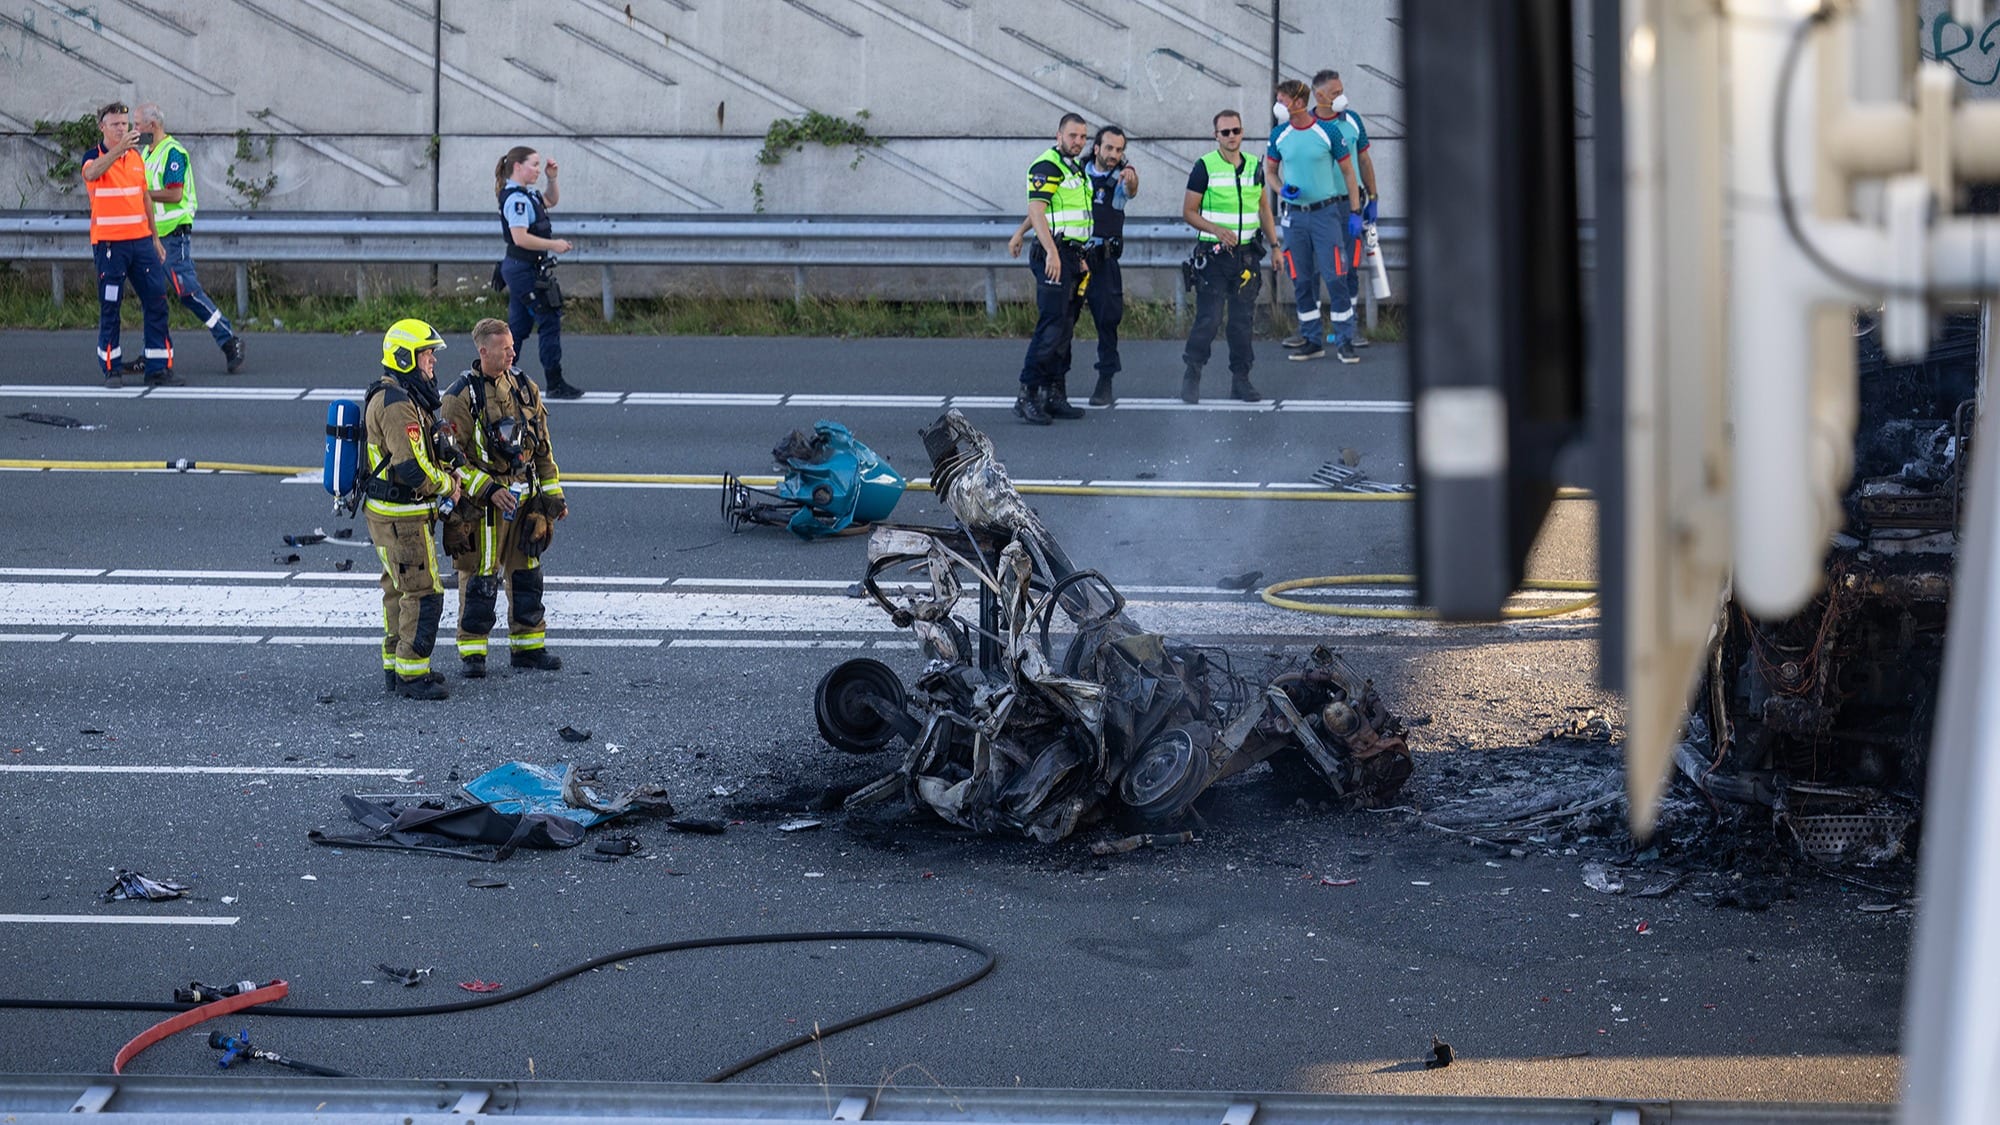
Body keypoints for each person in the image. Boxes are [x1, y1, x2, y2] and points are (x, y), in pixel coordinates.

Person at [440, 318, 569, 679]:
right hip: (484, 507)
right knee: (479, 577)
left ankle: (528, 647)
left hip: (524, 500)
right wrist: (490, 489)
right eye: (505, 348)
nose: (512, 353)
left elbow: (542, 449)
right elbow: (450, 459)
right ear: (483, 351)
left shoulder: (525, 388)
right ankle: (473, 653)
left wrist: (553, 498)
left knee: (527, 573)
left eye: (513, 346)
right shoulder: (459, 398)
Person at [362, 318, 462, 700]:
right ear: (405, 357)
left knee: (397, 591)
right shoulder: (397, 405)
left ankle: (396, 667)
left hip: (389, 514)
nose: (433, 361)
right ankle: (412, 675)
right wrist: (447, 485)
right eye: (426, 354)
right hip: (402, 517)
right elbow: (412, 467)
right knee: (423, 593)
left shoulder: (401, 395)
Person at [1010, 124, 1137, 407]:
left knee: (1104, 321)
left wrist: (1131, 176)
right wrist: (1022, 233)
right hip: (1069, 256)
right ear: (1097, 147)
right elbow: (1041, 207)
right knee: (1058, 324)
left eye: (1119, 150)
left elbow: (1131, 190)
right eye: (1109, 148)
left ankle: (1098, 381)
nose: (1114, 154)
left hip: (1098, 259)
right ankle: (1045, 390)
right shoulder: (1071, 170)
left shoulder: (1113, 176)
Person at [134, 103, 246, 374]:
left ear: (152, 125)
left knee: (188, 292)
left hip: (173, 236)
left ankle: (229, 339)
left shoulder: (173, 152)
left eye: (137, 124)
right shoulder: (146, 153)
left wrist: (143, 195)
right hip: (151, 236)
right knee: (151, 296)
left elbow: (174, 194)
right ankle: (153, 354)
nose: (133, 129)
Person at [1179, 109, 1279, 404]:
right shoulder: (1205, 167)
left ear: (1242, 132)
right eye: (1225, 132)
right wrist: (1216, 230)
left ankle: (1241, 380)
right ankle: (1192, 374)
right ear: (1216, 136)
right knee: (1209, 319)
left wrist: (1275, 246)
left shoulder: (1254, 166)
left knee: (1242, 322)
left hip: (1247, 257)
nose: (1232, 136)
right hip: (1214, 257)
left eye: (1236, 130)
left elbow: (1263, 209)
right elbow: (1188, 212)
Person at [79, 100, 178, 388]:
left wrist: (155, 238)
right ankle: (112, 369)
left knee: (157, 300)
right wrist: (118, 150)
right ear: (102, 127)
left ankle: (157, 368)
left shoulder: (136, 158)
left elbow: (144, 197)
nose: (122, 129)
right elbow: (91, 174)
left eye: (124, 124)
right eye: (115, 125)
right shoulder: (93, 156)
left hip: (141, 243)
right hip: (111, 245)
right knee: (111, 306)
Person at [1267, 79, 1364, 365]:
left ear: (1298, 102)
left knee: (1335, 277)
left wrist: (1355, 211)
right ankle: (1312, 340)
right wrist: (1281, 189)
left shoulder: (1328, 131)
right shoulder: (1279, 134)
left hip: (1326, 214)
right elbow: (1270, 171)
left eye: (1282, 101)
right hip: (1294, 217)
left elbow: (1349, 172)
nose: (1278, 106)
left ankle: (1345, 341)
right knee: (1302, 278)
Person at [1014, 113, 1094, 425]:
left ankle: (1053, 393)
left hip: (1071, 254)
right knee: (1051, 326)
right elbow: (1037, 210)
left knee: (1065, 328)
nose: (1078, 141)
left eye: (1083, 137)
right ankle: (1028, 395)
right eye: (1073, 135)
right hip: (1054, 254)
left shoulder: (1074, 167)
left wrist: (1078, 254)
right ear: (1058, 135)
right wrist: (1051, 252)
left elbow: (1052, 209)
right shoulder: (1046, 165)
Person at [495, 146, 583, 400]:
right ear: (518, 167)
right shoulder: (517, 200)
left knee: (518, 327)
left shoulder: (527, 195)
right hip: (523, 270)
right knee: (549, 319)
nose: (537, 169)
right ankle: (554, 382)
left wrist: (551, 178)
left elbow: (551, 201)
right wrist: (553, 245)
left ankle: (498, 381)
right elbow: (520, 238)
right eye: (534, 165)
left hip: (523, 268)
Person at [1312, 69, 1378, 351]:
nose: (1342, 97)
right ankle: (1310, 332)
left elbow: (1364, 160)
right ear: (1319, 95)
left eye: (1341, 91)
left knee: (1349, 266)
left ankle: (1349, 329)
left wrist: (1372, 197)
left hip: (1348, 205)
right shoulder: (1306, 125)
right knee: (1312, 267)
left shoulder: (1352, 120)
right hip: (1316, 208)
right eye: (1335, 93)